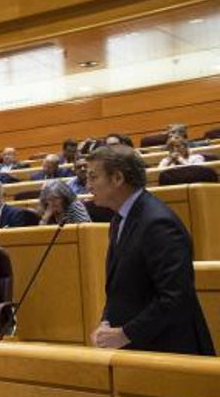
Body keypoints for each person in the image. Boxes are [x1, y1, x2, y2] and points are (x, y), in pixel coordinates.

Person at [86, 145, 214, 354]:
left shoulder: (158, 223)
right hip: (140, 350)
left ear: (117, 178)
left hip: (171, 351)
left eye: (93, 177)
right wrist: (106, 324)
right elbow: (121, 290)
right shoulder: (119, 220)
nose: (88, 185)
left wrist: (126, 333)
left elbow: (176, 296)